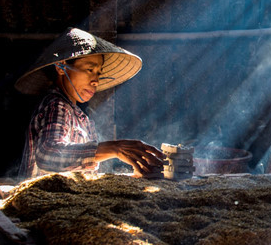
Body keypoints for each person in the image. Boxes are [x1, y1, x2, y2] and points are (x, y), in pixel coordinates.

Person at [15, 27, 165, 179]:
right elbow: (48, 155)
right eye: (89, 69)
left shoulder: (82, 119)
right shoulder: (56, 106)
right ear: (61, 66)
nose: (95, 81)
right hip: (43, 200)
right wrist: (114, 148)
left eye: (98, 73)